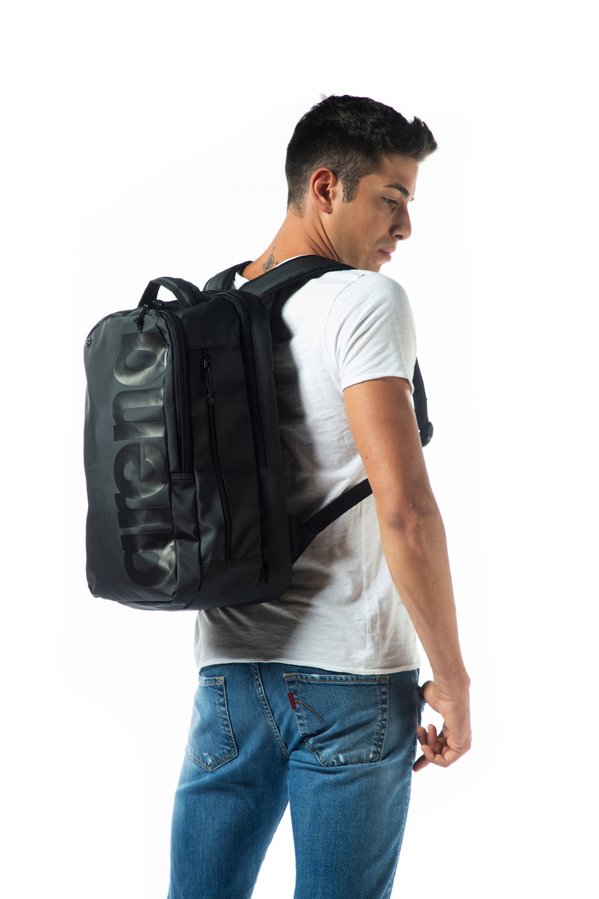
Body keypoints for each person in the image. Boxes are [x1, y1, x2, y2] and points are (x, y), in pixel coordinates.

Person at [167, 94, 471, 899]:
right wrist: (452, 678)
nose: (405, 227)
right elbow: (405, 509)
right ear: (326, 187)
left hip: (229, 674)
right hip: (350, 676)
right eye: (392, 199)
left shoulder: (215, 304)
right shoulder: (363, 301)